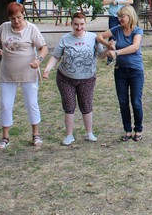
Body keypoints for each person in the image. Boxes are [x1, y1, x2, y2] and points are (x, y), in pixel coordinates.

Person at [0, 2, 49, 149]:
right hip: (8, 74)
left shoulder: (31, 29)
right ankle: (5, 137)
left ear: (23, 14)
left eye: (19, 17)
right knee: (6, 105)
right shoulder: (4, 27)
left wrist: (38, 60)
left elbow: (43, 48)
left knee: (31, 103)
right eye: (13, 18)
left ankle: (36, 134)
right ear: (9, 18)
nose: (16, 21)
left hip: (28, 73)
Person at [43, 12, 108, 146]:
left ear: (85, 23)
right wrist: (47, 69)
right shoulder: (65, 38)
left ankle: (89, 133)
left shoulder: (93, 38)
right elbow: (56, 56)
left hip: (87, 78)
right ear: (71, 24)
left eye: (81, 24)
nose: (79, 27)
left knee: (86, 104)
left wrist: (109, 49)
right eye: (76, 24)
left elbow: (101, 55)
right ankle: (69, 135)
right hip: (66, 78)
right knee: (69, 105)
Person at [98, 5, 146, 141]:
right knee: (123, 101)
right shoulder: (116, 30)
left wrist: (116, 52)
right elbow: (99, 37)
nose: (119, 19)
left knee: (136, 101)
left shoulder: (137, 31)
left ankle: (138, 130)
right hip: (120, 71)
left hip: (136, 71)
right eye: (118, 17)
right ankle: (127, 130)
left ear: (130, 16)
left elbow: (135, 47)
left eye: (122, 17)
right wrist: (108, 45)